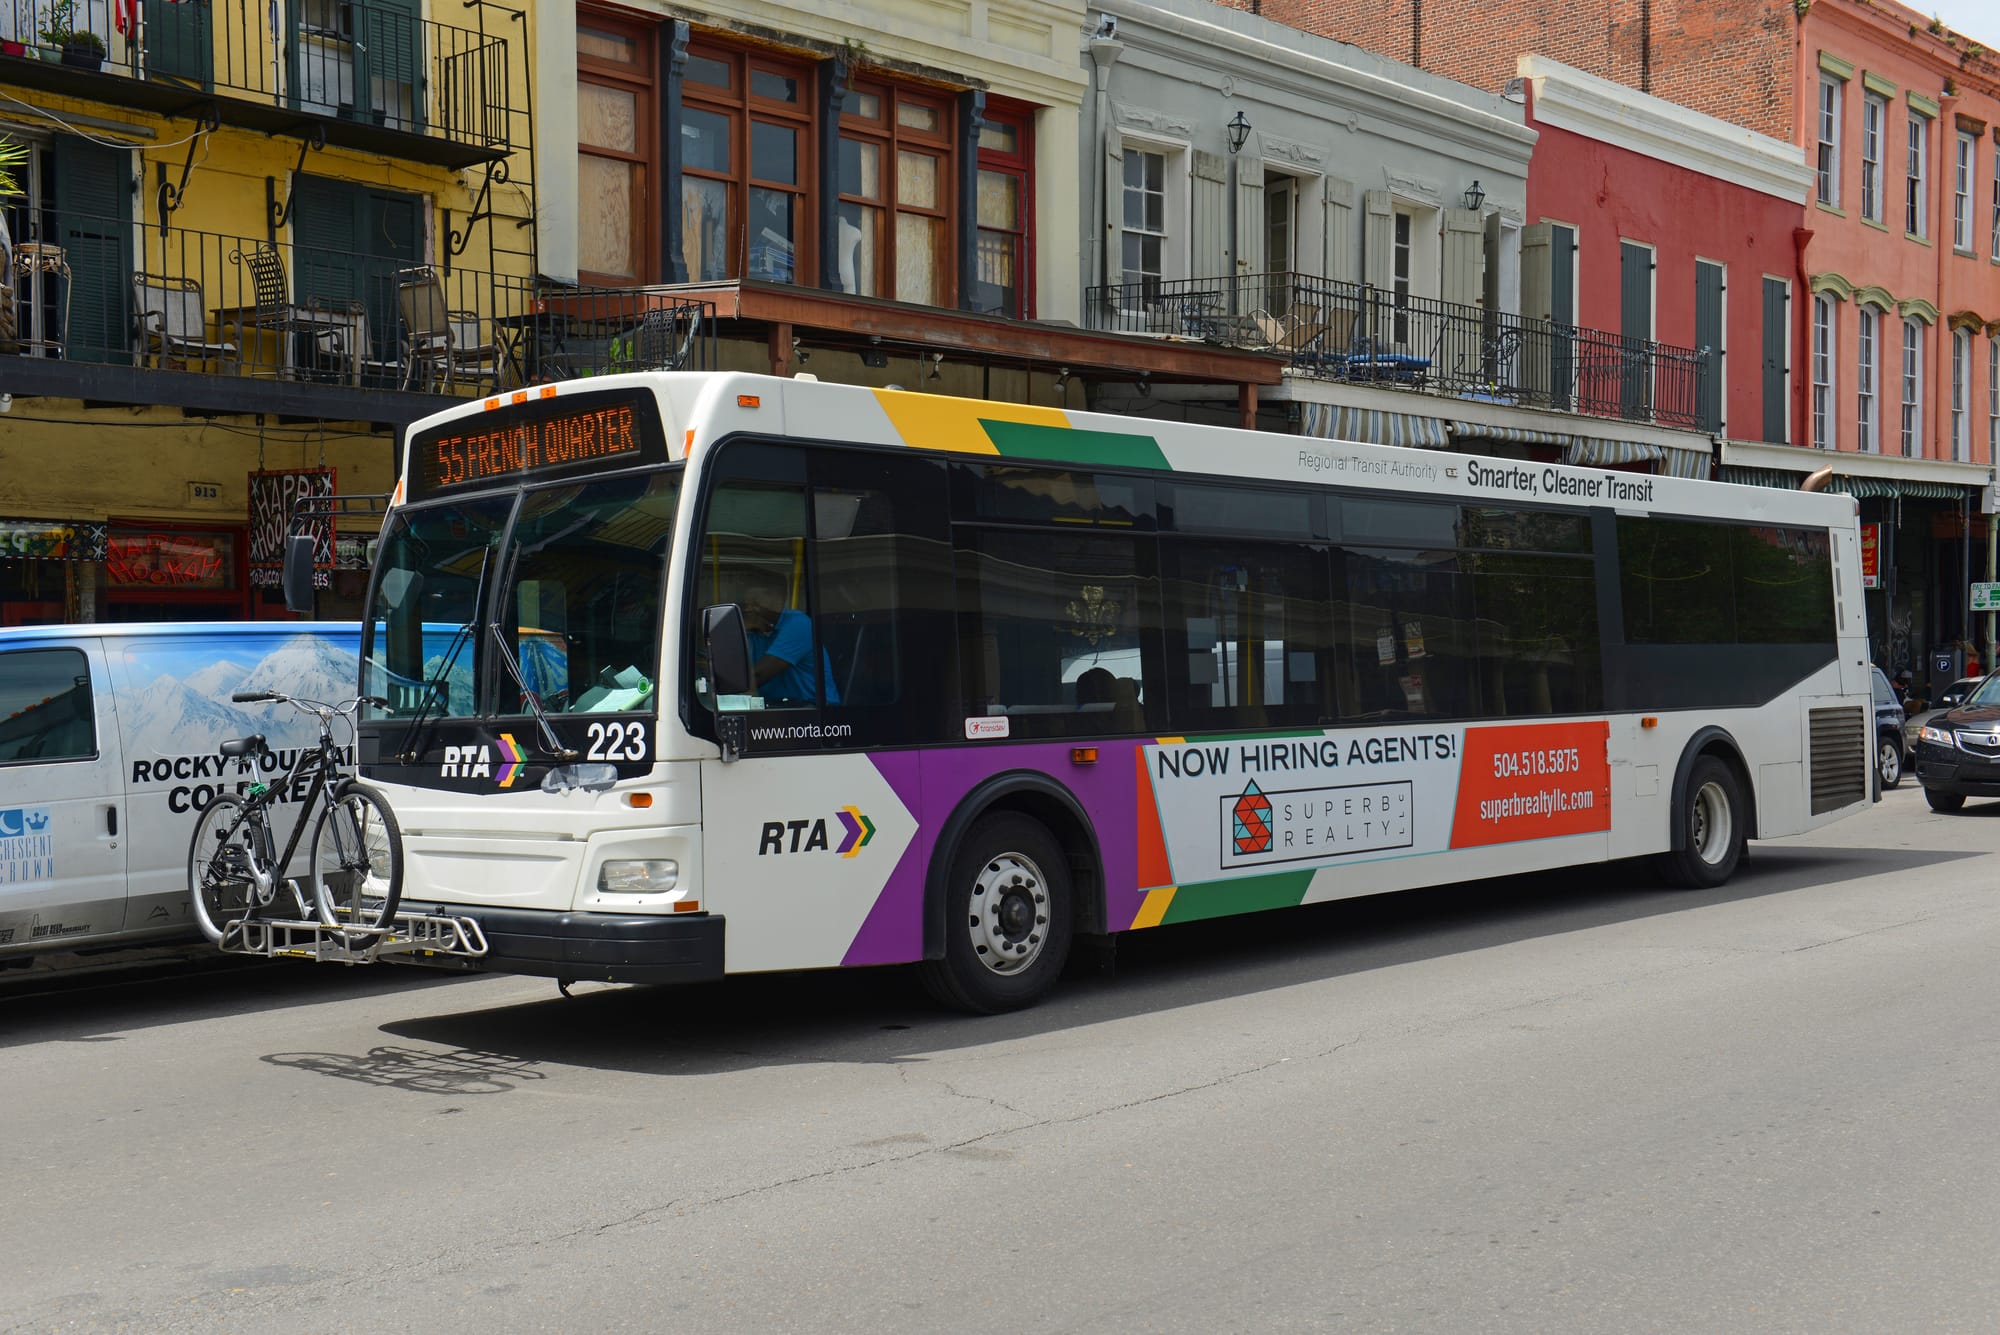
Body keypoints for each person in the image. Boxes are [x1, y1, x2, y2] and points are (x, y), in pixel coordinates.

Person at [739, 570, 840, 706]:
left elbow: (757, 676)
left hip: (813, 711)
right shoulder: (754, 630)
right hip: (775, 708)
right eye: (747, 605)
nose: (749, 610)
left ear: (778, 601)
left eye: (756, 604)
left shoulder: (799, 624)